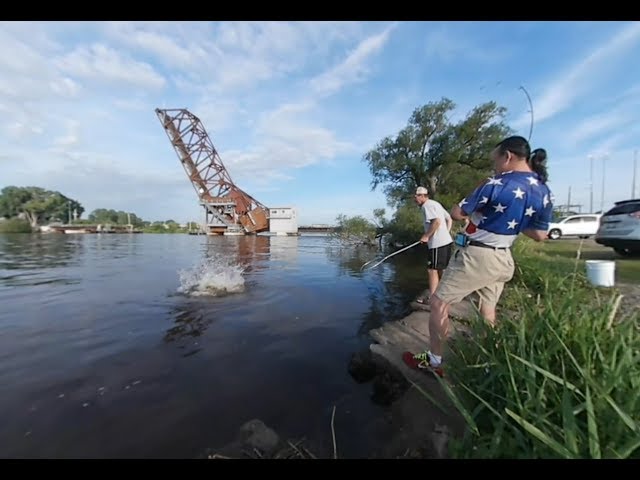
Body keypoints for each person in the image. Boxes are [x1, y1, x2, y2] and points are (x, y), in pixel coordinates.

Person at [403, 135, 554, 377]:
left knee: (438, 303)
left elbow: (458, 212)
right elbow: (539, 234)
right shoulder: (542, 190)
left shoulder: (495, 184)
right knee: (488, 310)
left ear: (507, 156)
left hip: (477, 257)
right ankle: (488, 363)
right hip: (504, 259)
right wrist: (507, 222)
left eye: (495, 160)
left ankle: (435, 362)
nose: (494, 165)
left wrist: (480, 186)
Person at [413, 186, 454, 301]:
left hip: (437, 243)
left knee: (432, 269)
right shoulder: (435, 203)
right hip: (445, 241)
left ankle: (433, 298)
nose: (414, 199)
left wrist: (426, 236)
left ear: (422, 196)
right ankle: (443, 294)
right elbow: (449, 218)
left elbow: (436, 221)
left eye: (416, 196)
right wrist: (446, 232)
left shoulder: (427, 206)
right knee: (442, 269)